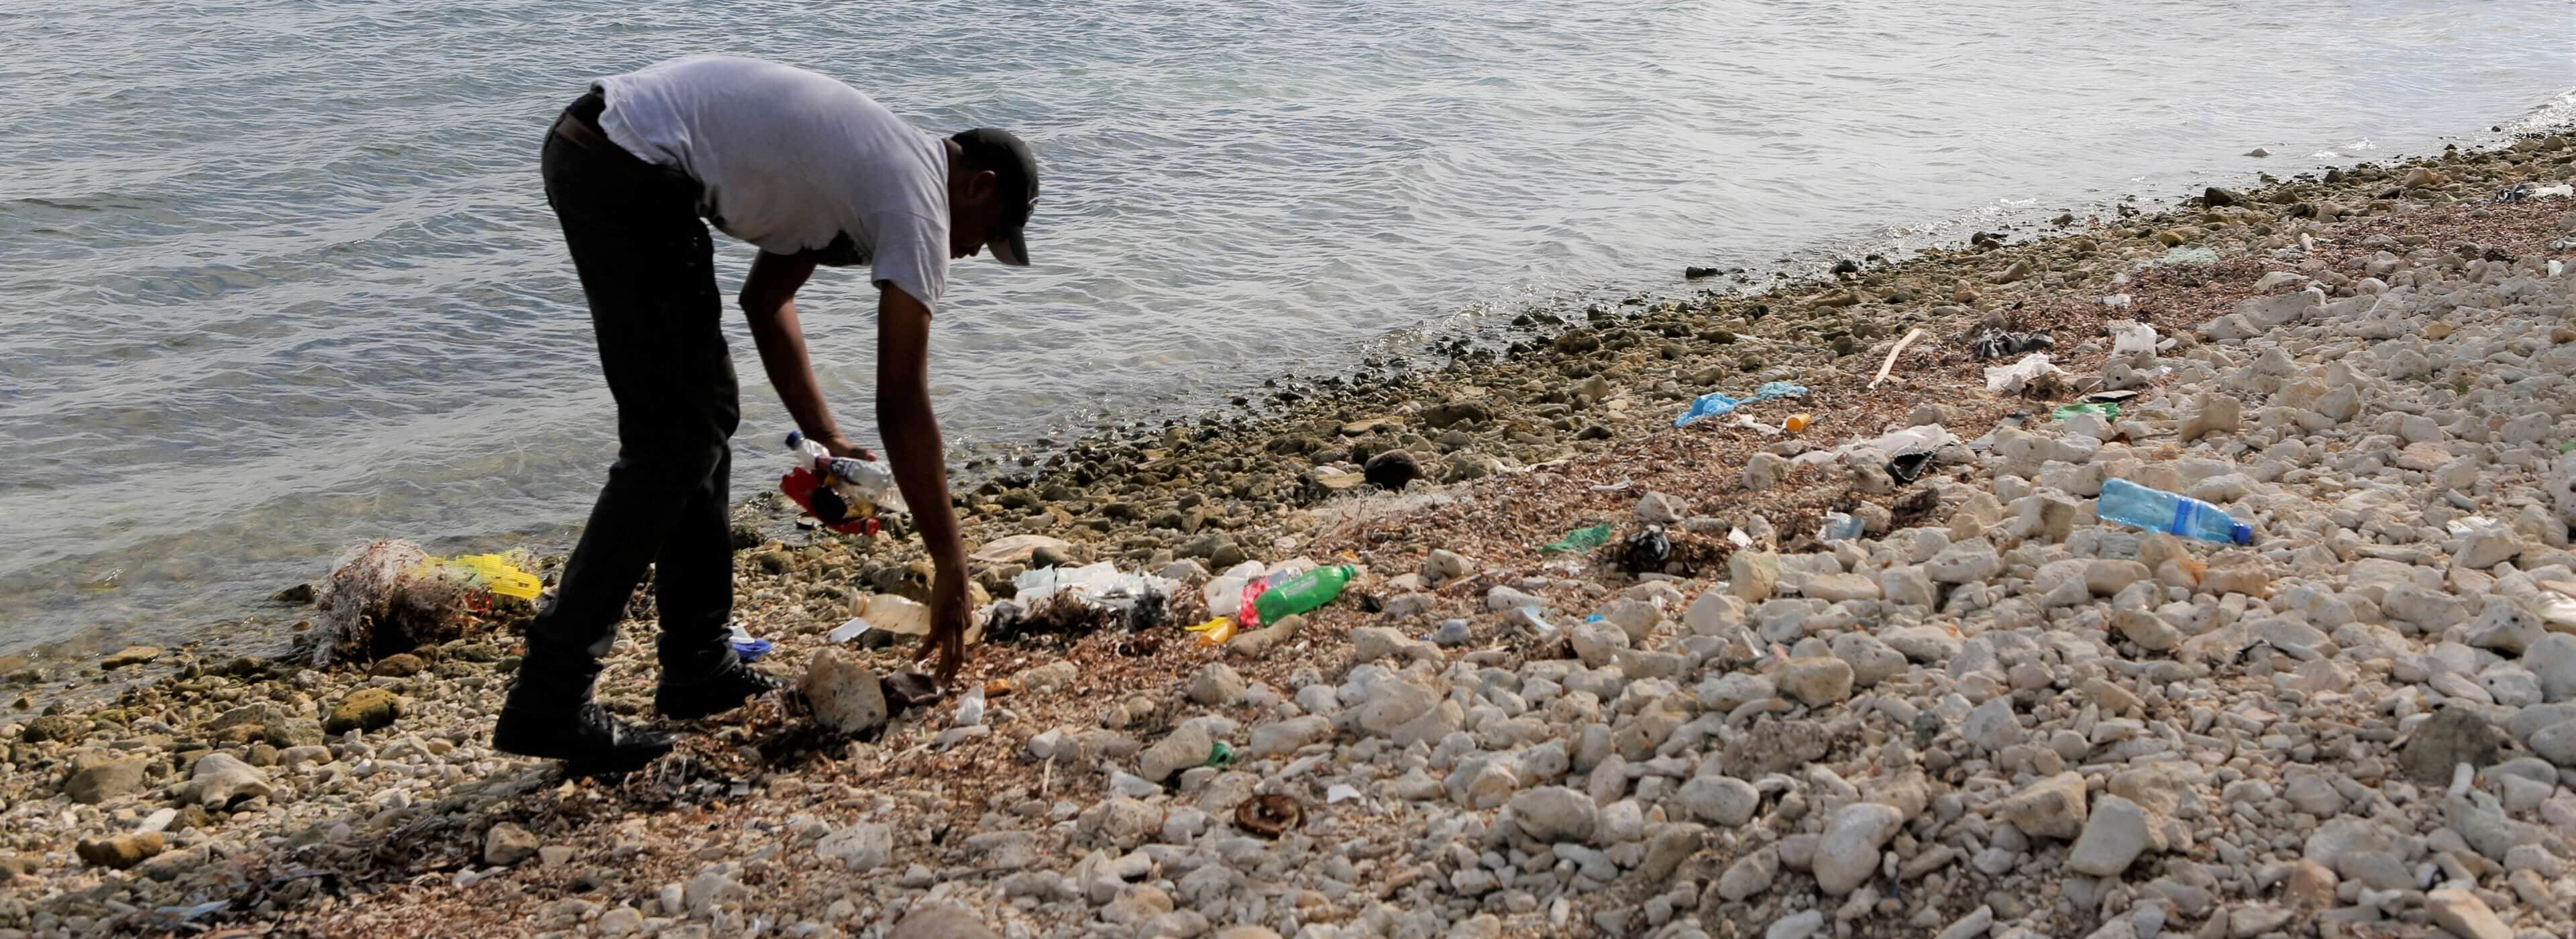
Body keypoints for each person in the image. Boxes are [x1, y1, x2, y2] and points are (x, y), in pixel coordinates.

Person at [494, 55, 1039, 771]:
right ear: (978, 185)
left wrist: (828, 439)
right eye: (984, 234)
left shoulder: (870, 167)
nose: (968, 252)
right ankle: (550, 698)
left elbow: (766, 299)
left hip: (613, 155)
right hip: (624, 165)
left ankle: (697, 666)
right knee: (673, 440)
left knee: (701, 421)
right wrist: (950, 562)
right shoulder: (918, 199)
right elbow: (903, 400)